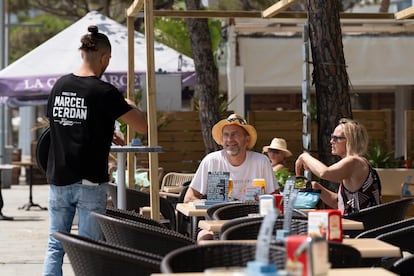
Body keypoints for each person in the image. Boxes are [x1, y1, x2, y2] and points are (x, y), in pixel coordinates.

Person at [42, 25, 147, 276]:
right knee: (88, 249)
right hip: (89, 180)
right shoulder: (105, 92)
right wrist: (126, 102)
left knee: (55, 245)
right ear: (104, 58)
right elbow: (142, 126)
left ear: (82, 54)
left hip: (59, 178)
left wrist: (103, 129)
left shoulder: (59, 86)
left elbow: (63, 124)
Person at [184, 113, 279, 203]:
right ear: (222, 140)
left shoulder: (261, 161)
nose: (230, 139)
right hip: (218, 218)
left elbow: (275, 198)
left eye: (235, 134)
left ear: (247, 140)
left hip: (251, 219)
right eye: (226, 134)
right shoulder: (211, 161)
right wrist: (207, 204)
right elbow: (189, 198)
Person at [294, 118, 381, 215]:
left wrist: (304, 156)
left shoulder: (354, 162)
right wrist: (316, 187)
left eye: (336, 138)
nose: (331, 141)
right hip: (360, 225)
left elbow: (324, 172)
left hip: (362, 227)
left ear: (349, 140)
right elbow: (339, 203)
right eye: (331, 137)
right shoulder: (358, 163)